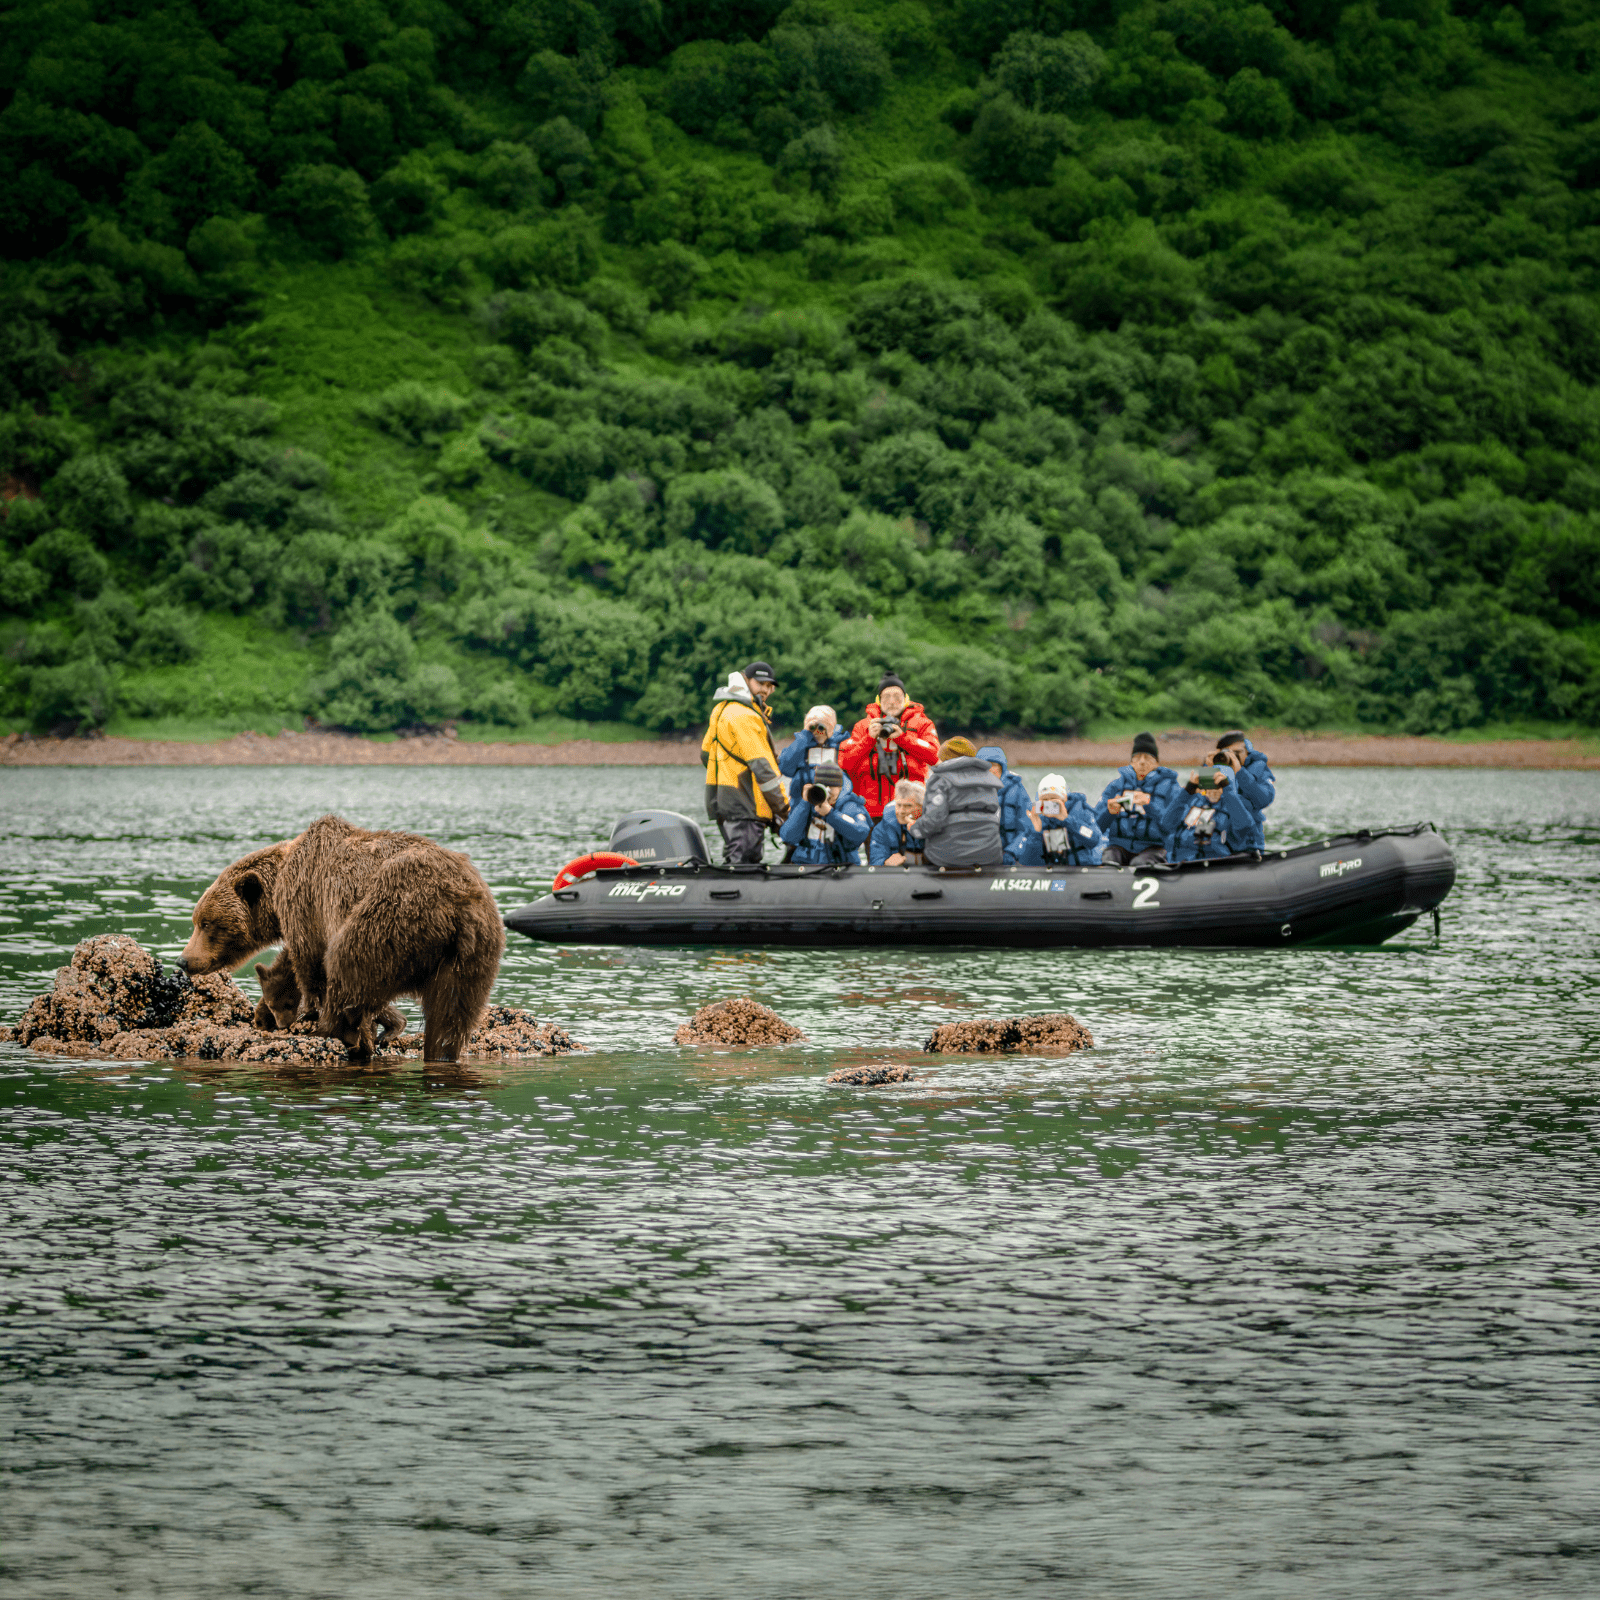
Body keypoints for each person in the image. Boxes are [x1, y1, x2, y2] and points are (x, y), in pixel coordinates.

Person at [701, 661, 787, 865]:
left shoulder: (722, 708)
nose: (765, 690)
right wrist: (784, 808)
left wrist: (728, 774)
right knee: (743, 861)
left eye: (769, 686)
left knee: (736, 855)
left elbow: (705, 754)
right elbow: (763, 769)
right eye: (760, 684)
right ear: (746, 680)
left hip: (723, 800)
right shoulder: (745, 715)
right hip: (745, 803)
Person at [838, 671, 940, 820]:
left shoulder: (922, 724)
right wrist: (869, 739)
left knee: (913, 843)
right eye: (886, 697)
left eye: (897, 697)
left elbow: (935, 756)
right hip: (871, 810)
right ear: (878, 700)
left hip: (911, 808)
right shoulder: (863, 726)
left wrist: (903, 739)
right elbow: (845, 762)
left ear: (906, 699)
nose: (892, 702)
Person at [1095, 731, 1180, 867]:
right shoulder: (1115, 786)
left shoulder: (1172, 788)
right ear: (1131, 762)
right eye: (1137, 757)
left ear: (1156, 763)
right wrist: (1108, 812)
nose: (1141, 762)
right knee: (1109, 859)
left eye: (1147, 757)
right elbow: (1097, 827)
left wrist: (1149, 805)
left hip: (1155, 848)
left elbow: (1173, 826)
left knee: (1139, 863)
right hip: (1119, 846)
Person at [918, 736, 1004, 868]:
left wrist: (914, 829)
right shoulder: (990, 780)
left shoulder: (940, 779)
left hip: (948, 856)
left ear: (946, 758)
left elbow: (933, 820)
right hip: (990, 854)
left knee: (922, 850)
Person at [777, 761, 872, 866]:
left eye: (832, 787)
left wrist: (830, 814)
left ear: (840, 788)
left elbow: (861, 833)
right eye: (824, 786)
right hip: (807, 866)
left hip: (839, 867)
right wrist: (804, 804)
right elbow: (788, 836)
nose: (828, 791)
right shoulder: (808, 804)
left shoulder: (850, 806)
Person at [1158, 760, 1254, 862]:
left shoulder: (1235, 807)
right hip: (1178, 864)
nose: (1213, 789)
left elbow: (1245, 827)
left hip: (1211, 866)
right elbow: (1166, 824)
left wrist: (1227, 789)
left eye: (1219, 785)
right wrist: (1188, 791)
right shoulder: (1194, 802)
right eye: (1210, 783)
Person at [1014, 774, 1106, 867]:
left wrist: (1066, 820)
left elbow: (1094, 839)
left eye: (1053, 799)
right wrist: (1036, 831)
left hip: (1082, 870)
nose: (1049, 804)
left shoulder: (1081, 813)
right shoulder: (1043, 821)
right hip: (1058, 872)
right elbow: (1027, 862)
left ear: (1064, 799)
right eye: (1045, 800)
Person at [1213, 731, 1275, 851]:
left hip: (1248, 841)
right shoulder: (1217, 769)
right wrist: (1209, 767)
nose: (1234, 757)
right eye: (1229, 753)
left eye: (1237, 753)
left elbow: (1263, 799)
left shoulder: (1259, 769)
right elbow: (1202, 797)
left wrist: (1240, 772)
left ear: (1247, 751)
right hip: (1219, 839)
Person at [778, 704, 846, 807]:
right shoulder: (801, 747)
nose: (818, 731)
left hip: (833, 805)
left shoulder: (842, 746)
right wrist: (805, 735)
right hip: (802, 805)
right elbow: (784, 768)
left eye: (822, 727)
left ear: (832, 727)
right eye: (812, 727)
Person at [976, 745, 1031, 849]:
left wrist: (1012, 852)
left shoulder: (1017, 790)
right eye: (985, 765)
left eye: (994, 765)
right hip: (981, 852)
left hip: (1010, 852)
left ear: (1002, 767)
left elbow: (1025, 827)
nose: (990, 769)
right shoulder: (971, 791)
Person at [869, 779, 926, 865]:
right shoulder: (882, 828)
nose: (901, 811)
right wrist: (885, 863)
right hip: (896, 876)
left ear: (921, 807)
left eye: (908, 806)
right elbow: (875, 861)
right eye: (899, 805)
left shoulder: (934, 825)